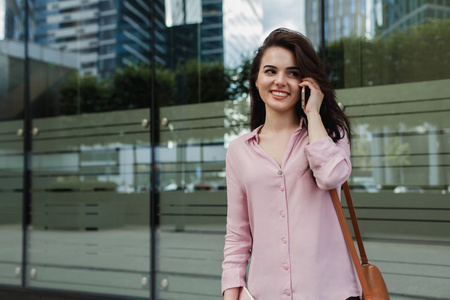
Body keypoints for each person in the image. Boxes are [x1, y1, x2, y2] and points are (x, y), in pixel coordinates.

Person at [221, 28, 361, 300]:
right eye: (271, 71)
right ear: (257, 79)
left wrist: (313, 115)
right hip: (266, 293)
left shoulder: (331, 135)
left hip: (329, 291)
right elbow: (237, 234)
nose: (280, 81)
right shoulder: (238, 151)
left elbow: (332, 177)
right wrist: (230, 293)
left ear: (307, 82)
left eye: (293, 73)